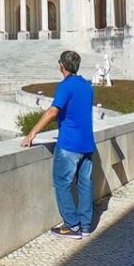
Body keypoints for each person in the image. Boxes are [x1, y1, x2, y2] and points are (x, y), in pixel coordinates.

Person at [20, 50, 95, 240]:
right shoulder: (87, 86)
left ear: (61, 65)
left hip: (70, 143)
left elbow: (53, 112)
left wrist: (32, 133)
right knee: (85, 184)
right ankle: (86, 226)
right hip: (87, 143)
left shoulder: (65, 86)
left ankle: (72, 226)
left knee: (62, 182)